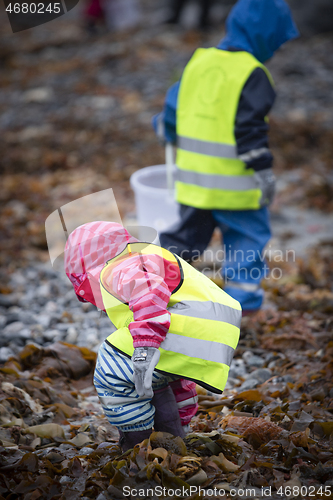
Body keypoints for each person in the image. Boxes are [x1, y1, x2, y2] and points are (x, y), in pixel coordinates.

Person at [153, 0, 299, 314]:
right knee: (247, 240)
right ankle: (242, 305)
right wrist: (264, 173)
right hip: (237, 188)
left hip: (194, 183)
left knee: (184, 240)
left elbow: (173, 106)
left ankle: (154, 290)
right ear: (265, 36)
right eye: (276, 42)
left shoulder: (200, 61)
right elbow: (248, 129)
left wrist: (164, 127)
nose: (275, 51)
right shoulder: (253, 73)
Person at [64, 221, 241, 451]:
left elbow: (148, 289)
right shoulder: (144, 256)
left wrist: (145, 348)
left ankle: (136, 444)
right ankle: (174, 436)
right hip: (211, 328)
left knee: (113, 367)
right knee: (155, 374)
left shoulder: (117, 266)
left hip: (192, 325)